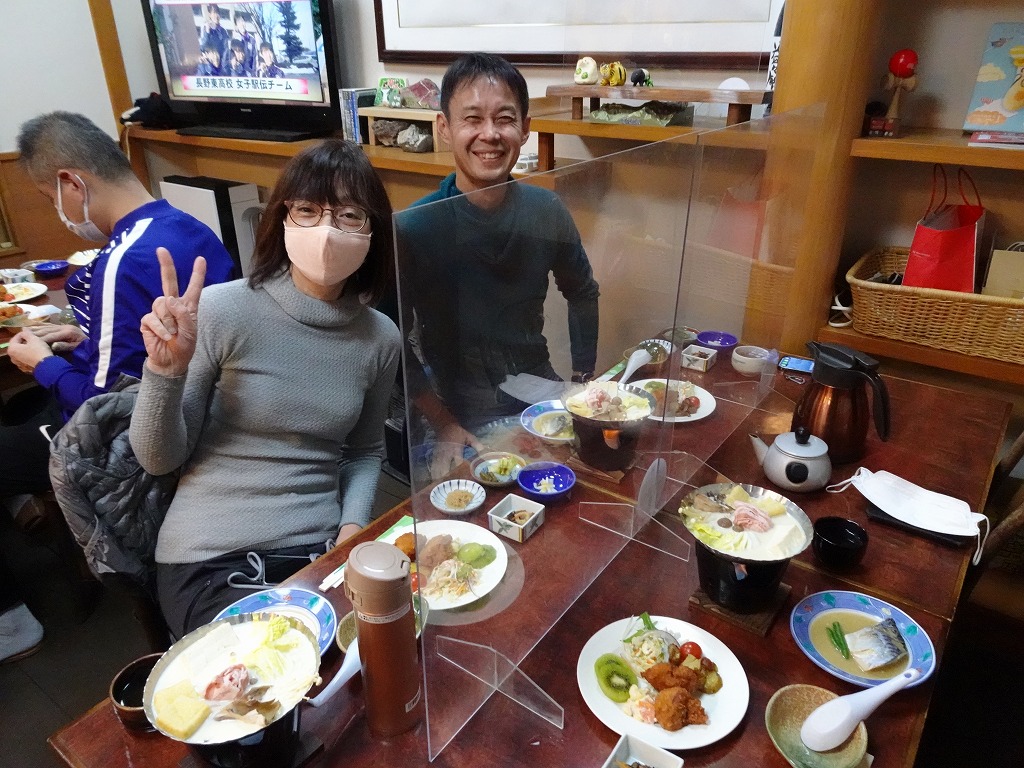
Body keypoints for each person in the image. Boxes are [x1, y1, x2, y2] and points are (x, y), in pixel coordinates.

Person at [129, 140, 400, 638]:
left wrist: (352, 530)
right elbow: (159, 460)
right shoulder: (221, 309)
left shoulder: (381, 338)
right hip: (210, 554)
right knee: (262, 672)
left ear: (372, 231)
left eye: (349, 215)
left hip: (317, 549)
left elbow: (364, 451)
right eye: (308, 210)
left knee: (378, 649)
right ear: (281, 217)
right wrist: (164, 372)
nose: (327, 230)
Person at [1, 111, 234, 658]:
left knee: (21, 414)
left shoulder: (122, 258)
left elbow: (102, 408)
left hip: (141, 438)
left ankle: (11, 620)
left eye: (50, 198)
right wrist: (81, 340)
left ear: (72, 183)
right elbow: (142, 342)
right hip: (204, 403)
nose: (57, 212)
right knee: (22, 412)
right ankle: (26, 509)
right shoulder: (189, 227)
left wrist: (42, 364)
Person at [396, 53, 600, 451]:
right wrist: (442, 422)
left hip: (536, 386)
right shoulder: (415, 226)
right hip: (453, 406)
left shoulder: (546, 210)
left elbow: (582, 290)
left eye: (504, 119)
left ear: (525, 129)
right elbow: (390, 342)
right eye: (472, 119)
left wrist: (582, 380)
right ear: (444, 128)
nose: (489, 134)